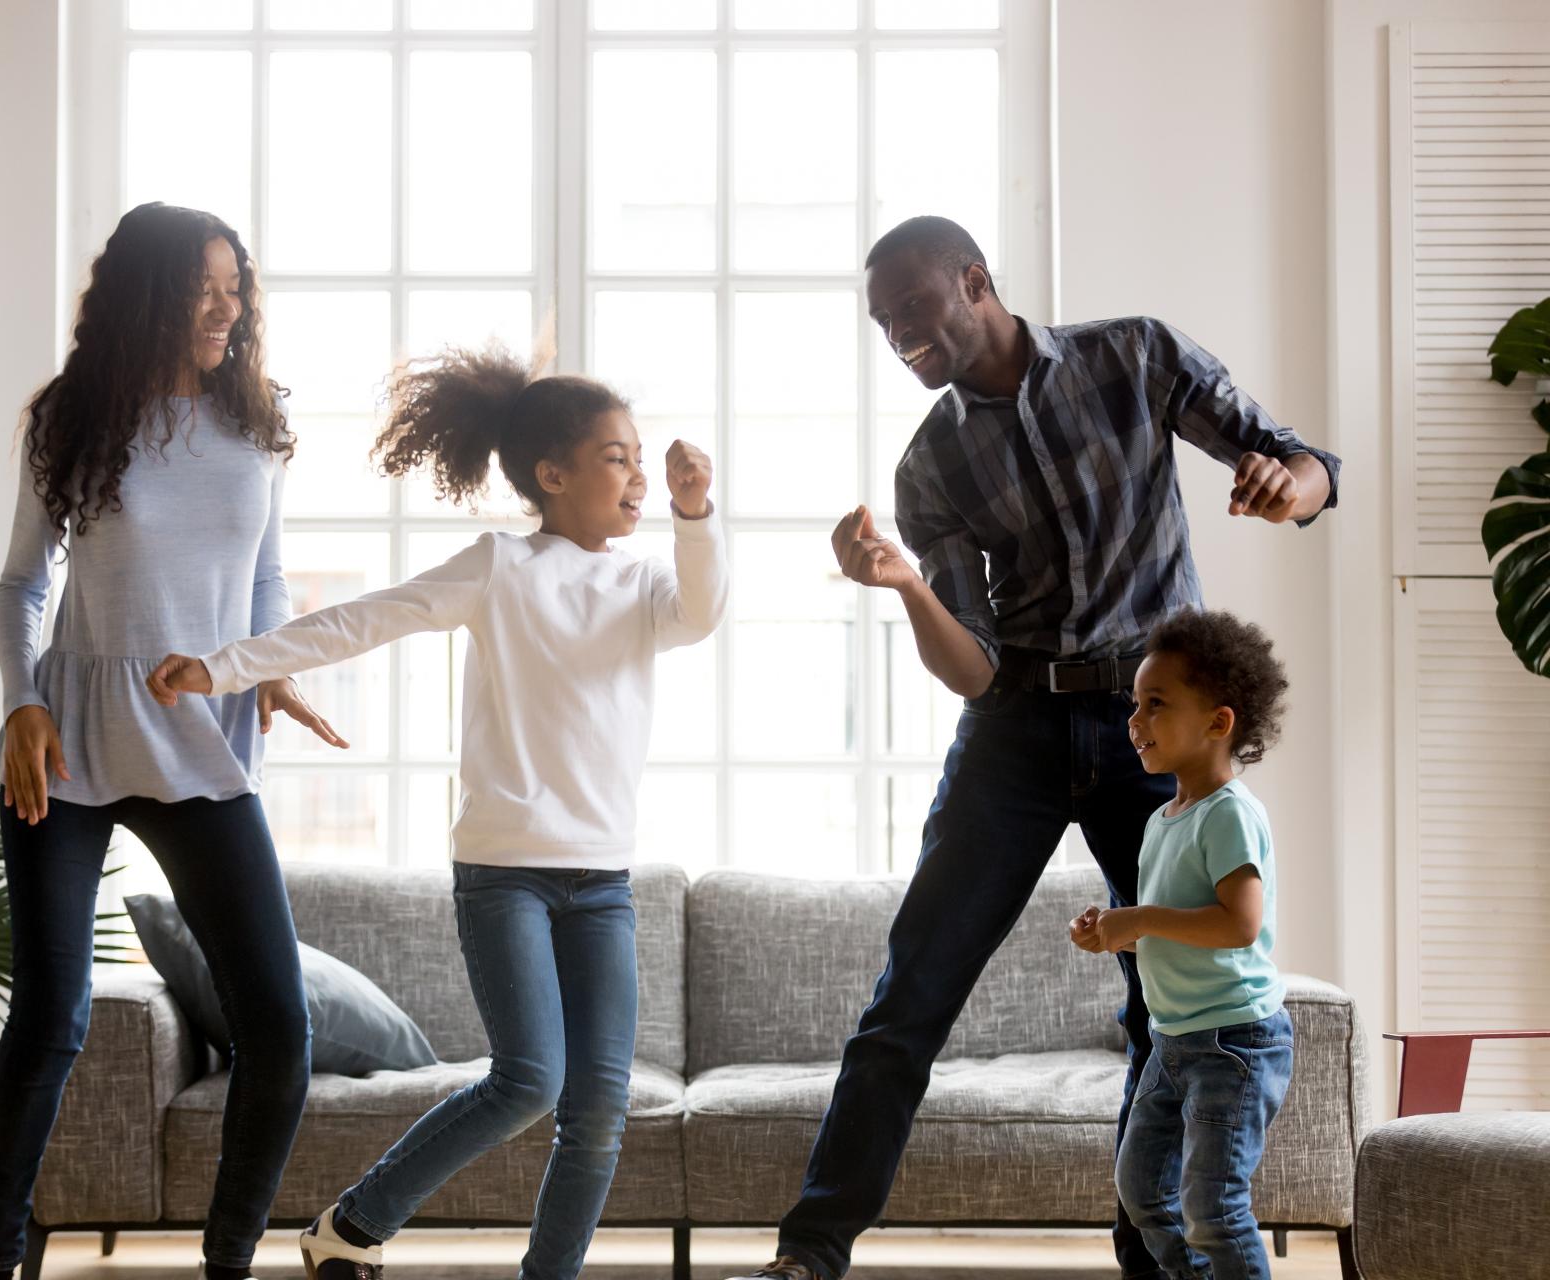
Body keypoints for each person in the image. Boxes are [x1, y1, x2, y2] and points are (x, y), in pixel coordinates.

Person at [728, 215, 1340, 1280]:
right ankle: (810, 1252)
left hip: (1152, 720)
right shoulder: (932, 465)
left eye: (913, 309)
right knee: (909, 993)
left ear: (974, 280)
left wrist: (1291, 488)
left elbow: (1301, 459)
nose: (900, 337)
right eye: (882, 324)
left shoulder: (1135, 356)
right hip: (1015, 724)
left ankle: (1148, 1254)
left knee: (1168, 1001)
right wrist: (908, 585)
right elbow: (971, 668)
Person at [148, 343, 727, 1280]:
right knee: (530, 1079)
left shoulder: (644, 585)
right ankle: (356, 1222)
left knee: (600, 1107)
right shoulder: (501, 566)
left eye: (639, 454)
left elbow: (701, 611)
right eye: (616, 456)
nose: (637, 474)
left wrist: (697, 515)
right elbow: (364, 617)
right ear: (553, 475)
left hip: (605, 883)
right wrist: (221, 667)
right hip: (505, 875)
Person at [0, 202, 343, 1280]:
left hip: (201, 737)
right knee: (51, 1015)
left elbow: (263, 575)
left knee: (279, 1026)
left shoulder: (257, 418)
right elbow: (21, 584)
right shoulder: (74, 415)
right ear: (149, 293)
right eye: (203, 287)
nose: (228, 306)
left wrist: (264, 665)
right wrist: (19, 702)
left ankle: (228, 1260)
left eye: (237, 285)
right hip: (70, 742)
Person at [1072, 608, 1293, 1280]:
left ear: (1218, 722)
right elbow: (1172, 932)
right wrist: (1111, 934)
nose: (1135, 722)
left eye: (1156, 704)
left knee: (1214, 1209)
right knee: (1142, 1192)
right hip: (1173, 1041)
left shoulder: (1229, 815)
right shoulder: (1162, 821)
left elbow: (1237, 926)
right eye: (1135, 704)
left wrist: (1137, 920)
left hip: (1232, 1046)